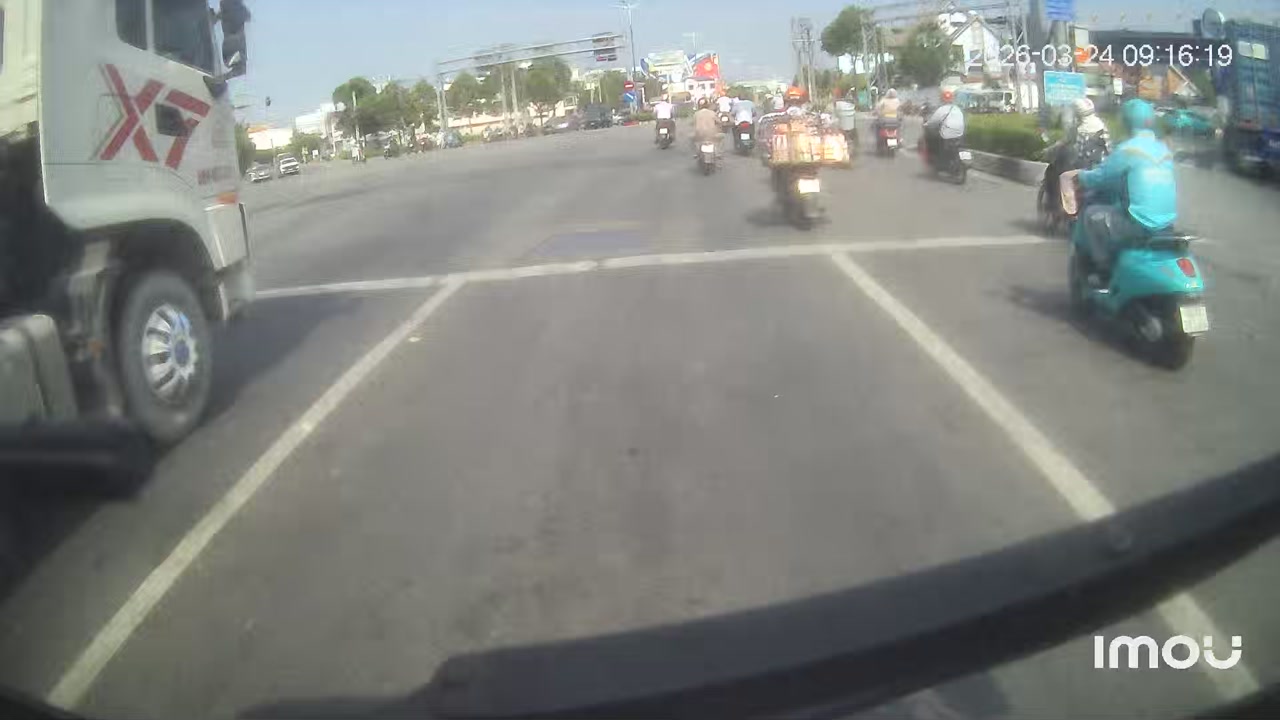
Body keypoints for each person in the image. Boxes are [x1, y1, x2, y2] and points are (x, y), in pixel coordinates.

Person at [1076, 99, 1176, 275]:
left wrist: (1080, 176)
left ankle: (1103, 270)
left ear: (1126, 122)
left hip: (1139, 225)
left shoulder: (1127, 150)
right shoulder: (1164, 150)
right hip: (1167, 224)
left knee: (1091, 215)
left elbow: (1099, 177)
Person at [924, 89, 965, 163]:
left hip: (947, 136)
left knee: (937, 141)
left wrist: (926, 124)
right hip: (960, 135)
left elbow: (933, 122)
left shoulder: (941, 109)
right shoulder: (957, 109)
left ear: (942, 100)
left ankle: (942, 161)